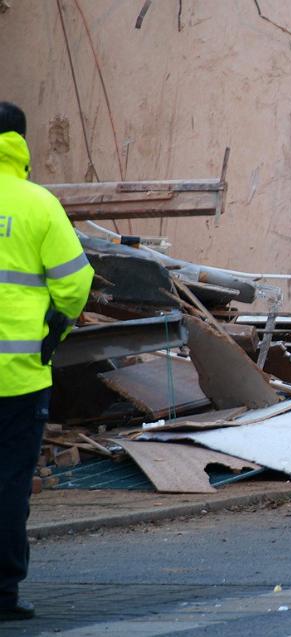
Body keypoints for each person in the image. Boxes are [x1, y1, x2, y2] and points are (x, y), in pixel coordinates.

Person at [0, 102, 93, 620]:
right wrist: (57, 323)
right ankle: (2, 596)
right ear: (21, 142)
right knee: (9, 484)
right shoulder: (38, 204)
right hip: (17, 377)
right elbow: (75, 280)